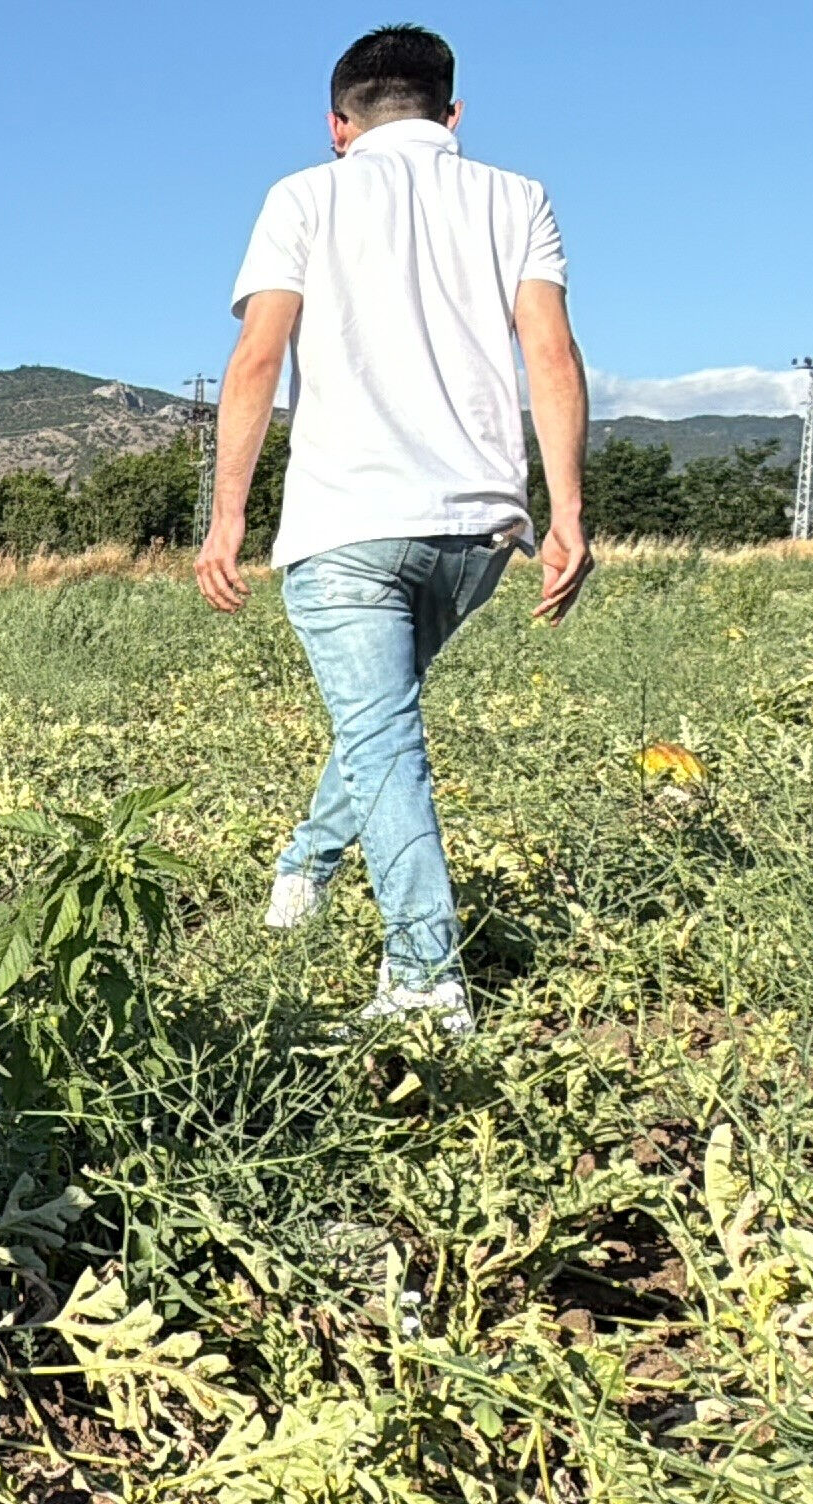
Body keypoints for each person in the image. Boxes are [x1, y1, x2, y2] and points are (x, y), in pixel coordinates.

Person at [195, 23, 593, 1037]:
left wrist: (226, 516)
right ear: (451, 114)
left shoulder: (302, 196)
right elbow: (548, 355)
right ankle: (302, 873)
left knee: (385, 742)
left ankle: (423, 983)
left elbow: (255, 361)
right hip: (476, 531)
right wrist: (568, 514)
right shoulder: (517, 198)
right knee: (382, 729)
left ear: (338, 125)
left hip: (344, 523)